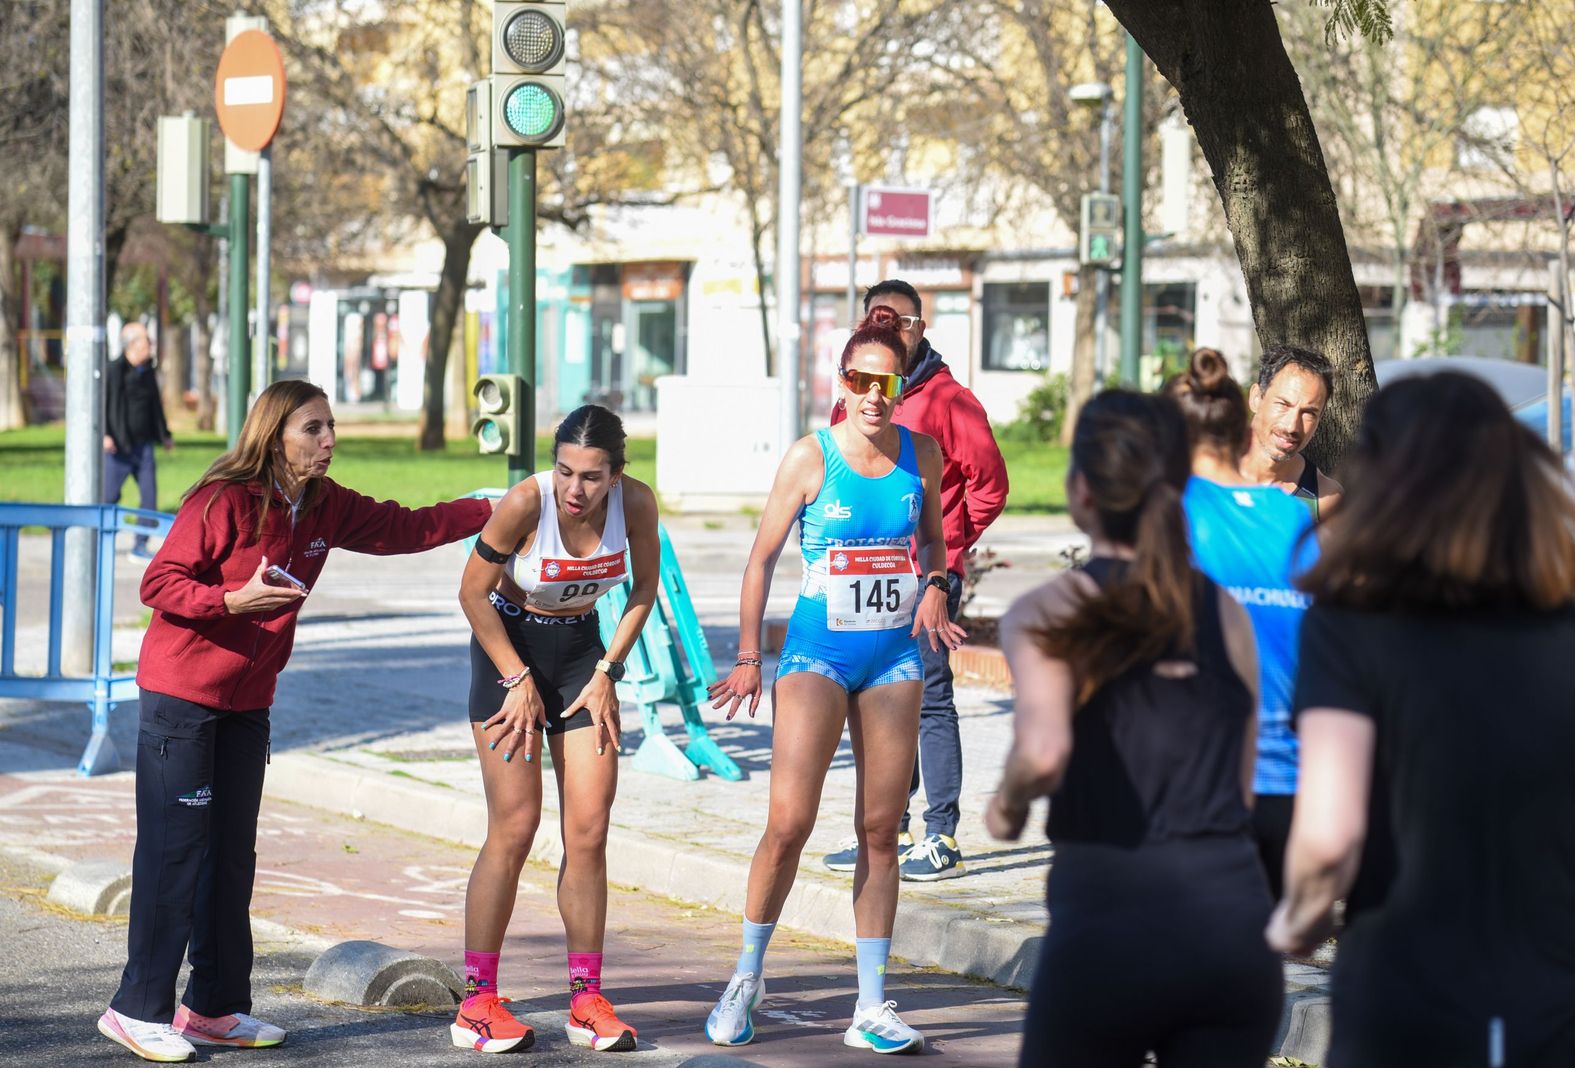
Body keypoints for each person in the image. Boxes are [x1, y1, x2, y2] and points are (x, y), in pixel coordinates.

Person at [99, 380, 493, 1064]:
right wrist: (232, 599)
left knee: (231, 856)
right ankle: (136, 1008)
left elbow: (407, 527)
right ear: (274, 432)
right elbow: (158, 583)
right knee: (175, 854)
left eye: (331, 427)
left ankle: (215, 1008)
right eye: (313, 428)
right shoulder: (222, 499)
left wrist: (496, 507)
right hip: (182, 700)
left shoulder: (324, 506)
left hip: (248, 705)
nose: (329, 440)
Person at [1268, 372, 1575, 1067]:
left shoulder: (1353, 630)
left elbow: (1330, 833)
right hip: (1563, 982)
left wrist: (1300, 916)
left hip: (1409, 979)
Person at [989, 390, 1282, 1066]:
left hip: (1110, 925)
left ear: (1081, 490)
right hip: (1233, 929)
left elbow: (1043, 749)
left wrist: (1005, 807)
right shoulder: (1226, 612)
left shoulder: (1049, 608)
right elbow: (1242, 786)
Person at [703, 319, 961, 1054]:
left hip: (894, 660)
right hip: (817, 657)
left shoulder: (924, 455)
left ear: (903, 386)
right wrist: (752, 655)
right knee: (790, 823)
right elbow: (760, 561)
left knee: (882, 830)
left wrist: (937, 583)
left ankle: (872, 1005)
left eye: (888, 383)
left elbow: (935, 541)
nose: (874, 397)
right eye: (860, 381)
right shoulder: (810, 459)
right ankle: (746, 976)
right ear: (841, 384)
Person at [454, 405, 660, 1055]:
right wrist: (516, 679)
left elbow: (643, 592)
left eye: (592, 477)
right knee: (515, 826)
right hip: (507, 650)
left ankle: (586, 998)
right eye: (566, 471)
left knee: (589, 829)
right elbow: (471, 593)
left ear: (616, 476)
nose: (576, 490)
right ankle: (477, 1002)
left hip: (580, 657)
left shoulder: (638, 505)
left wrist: (608, 671)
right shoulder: (525, 503)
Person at [823, 280, 1009, 883]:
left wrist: (948, 548)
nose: (891, 328)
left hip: (925, 578)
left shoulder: (950, 400)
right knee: (878, 699)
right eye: (878, 317)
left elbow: (990, 484)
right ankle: (885, 829)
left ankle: (942, 835)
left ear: (920, 328)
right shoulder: (856, 388)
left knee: (930, 699)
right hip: (859, 574)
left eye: (901, 320)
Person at [1165, 348, 1317, 900]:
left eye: (1309, 412)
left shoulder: (1172, 511)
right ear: (1249, 407)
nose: (1294, 424)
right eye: (1283, 404)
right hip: (1287, 784)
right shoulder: (1292, 518)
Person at [1239, 343, 1343, 519]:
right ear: (1256, 398)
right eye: (1283, 405)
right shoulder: (1200, 473)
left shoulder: (1325, 501)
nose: (1291, 426)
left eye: (1308, 413)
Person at [105, 321, 174, 561]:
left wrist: (164, 435)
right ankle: (100, 541)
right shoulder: (114, 370)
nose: (150, 345)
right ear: (132, 344)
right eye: (146, 340)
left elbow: (155, 406)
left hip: (143, 446)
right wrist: (105, 434)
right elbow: (105, 404)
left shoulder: (147, 371)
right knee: (109, 496)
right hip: (118, 446)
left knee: (149, 496)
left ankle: (140, 545)